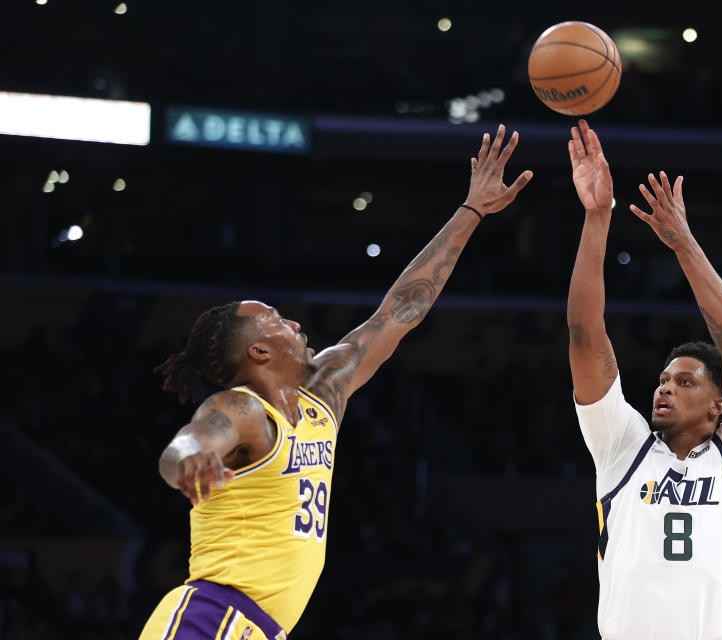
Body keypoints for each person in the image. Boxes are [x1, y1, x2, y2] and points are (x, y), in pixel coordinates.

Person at [137, 125, 532, 640]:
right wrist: (189, 458)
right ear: (258, 352)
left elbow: (401, 309)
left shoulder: (325, 392)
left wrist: (471, 211)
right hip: (212, 617)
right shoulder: (244, 409)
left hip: (262, 629)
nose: (295, 324)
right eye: (277, 319)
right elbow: (191, 440)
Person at [565, 119, 722, 640]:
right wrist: (597, 217)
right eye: (663, 379)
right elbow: (584, 336)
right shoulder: (623, 445)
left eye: (686, 383)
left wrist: (683, 244)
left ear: (718, 406)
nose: (664, 387)